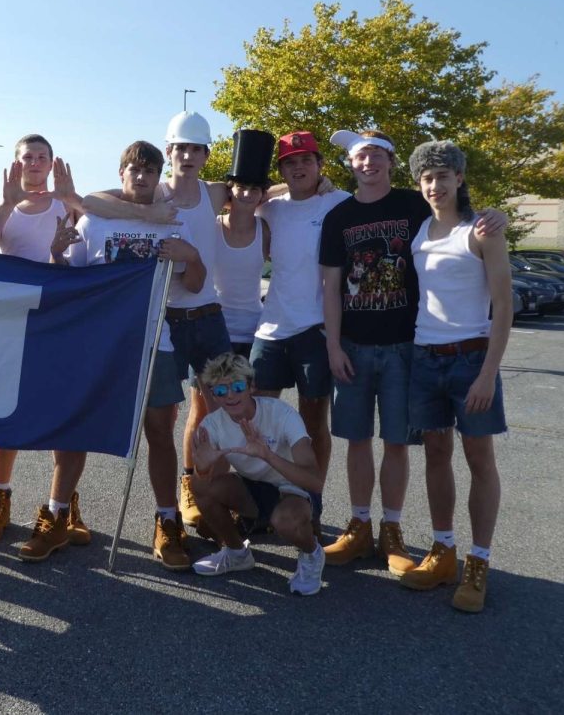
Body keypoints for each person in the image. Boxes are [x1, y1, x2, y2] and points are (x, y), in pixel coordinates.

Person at [319, 129, 505, 577]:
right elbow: (329, 284)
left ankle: (394, 531)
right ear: (350, 164)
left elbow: (463, 215)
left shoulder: (413, 205)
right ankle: (361, 524)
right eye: (361, 157)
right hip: (361, 348)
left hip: (410, 348)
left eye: (377, 156)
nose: (369, 164)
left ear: (390, 162)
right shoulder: (338, 215)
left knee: (399, 443)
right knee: (362, 441)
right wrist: (332, 345)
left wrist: (496, 215)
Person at [83, 112, 232, 533]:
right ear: (169, 153)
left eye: (195, 149)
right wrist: (149, 218)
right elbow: (88, 201)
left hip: (207, 316)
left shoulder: (215, 193)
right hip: (164, 320)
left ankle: (212, 494)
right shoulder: (154, 195)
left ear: (205, 155)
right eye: (179, 148)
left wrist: (322, 185)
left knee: (220, 411)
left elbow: (265, 197)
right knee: (167, 420)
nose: (186, 155)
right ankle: (184, 493)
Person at [66, 140, 206, 570]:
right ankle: (59, 509)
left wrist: (193, 256)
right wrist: (57, 250)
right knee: (80, 428)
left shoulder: (171, 224)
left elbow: (196, 283)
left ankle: (167, 520)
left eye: (150, 170)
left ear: (158, 175)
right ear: (121, 173)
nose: (141, 177)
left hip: (155, 342)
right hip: (104, 343)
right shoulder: (94, 223)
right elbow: (71, 281)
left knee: (160, 432)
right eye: (134, 169)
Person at [400, 141, 511, 613]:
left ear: (460, 178)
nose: (435, 185)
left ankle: (478, 561)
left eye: (444, 176)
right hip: (425, 357)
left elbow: (504, 307)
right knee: (437, 455)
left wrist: (488, 374)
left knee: (479, 458)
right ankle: (442, 550)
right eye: (427, 178)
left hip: (472, 359)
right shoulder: (419, 230)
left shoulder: (482, 229)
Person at [0, 133, 90, 556]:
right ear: (17, 163)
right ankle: (0, 497)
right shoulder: (1, 208)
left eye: (42, 157)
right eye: (28, 157)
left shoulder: (66, 206)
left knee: (61, 415)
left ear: (52, 162)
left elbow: (91, 236)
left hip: (59, 322)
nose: (35, 163)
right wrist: (6, 204)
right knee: (6, 412)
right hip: (11, 321)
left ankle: (65, 506)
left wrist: (72, 198)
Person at [251, 131, 351, 539]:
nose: (299, 168)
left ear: (320, 165)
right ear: (282, 170)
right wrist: (279, 186)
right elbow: (231, 197)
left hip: (316, 328)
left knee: (313, 422)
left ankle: (312, 500)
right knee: (256, 418)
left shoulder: (338, 202)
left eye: (306, 161)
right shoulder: (270, 208)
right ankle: (259, 503)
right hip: (271, 327)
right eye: (290, 163)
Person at [188, 353, 326, 596]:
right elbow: (205, 484)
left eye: (238, 387)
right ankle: (236, 553)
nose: (230, 396)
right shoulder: (211, 426)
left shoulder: (281, 414)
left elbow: (314, 481)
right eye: (221, 391)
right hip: (253, 488)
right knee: (201, 487)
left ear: (252, 386)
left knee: (285, 520)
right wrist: (202, 468)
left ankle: (312, 554)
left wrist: (267, 455)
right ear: (212, 393)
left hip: (293, 489)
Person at [213, 130, 274, 359]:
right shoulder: (211, 226)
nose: (247, 193)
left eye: (255, 189)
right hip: (214, 329)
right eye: (241, 187)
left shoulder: (265, 230)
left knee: (248, 395)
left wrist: (319, 182)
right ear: (230, 189)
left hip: (253, 331)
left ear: (262, 194)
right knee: (204, 394)